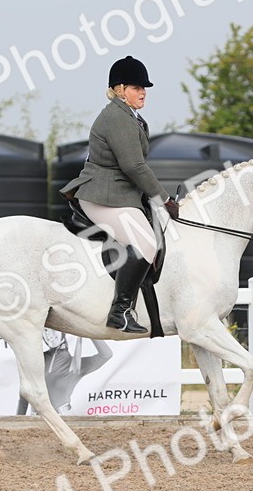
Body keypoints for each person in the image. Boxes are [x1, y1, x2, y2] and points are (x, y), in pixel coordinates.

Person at [60, 55, 179, 334]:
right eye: (137, 88)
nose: (143, 93)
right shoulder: (116, 117)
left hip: (120, 195)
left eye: (144, 88)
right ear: (120, 89)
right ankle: (120, 311)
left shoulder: (131, 117)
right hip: (102, 195)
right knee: (146, 243)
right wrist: (163, 198)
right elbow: (134, 165)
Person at [16, 330, 113, 415]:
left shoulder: (75, 364)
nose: (50, 335)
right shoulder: (36, 359)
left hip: (65, 420)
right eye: (45, 330)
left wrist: (88, 331)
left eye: (54, 330)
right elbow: (25, 395)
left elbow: (106, 355)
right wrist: (17, 424)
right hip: (36, 422)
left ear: (63, 331)